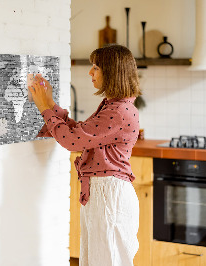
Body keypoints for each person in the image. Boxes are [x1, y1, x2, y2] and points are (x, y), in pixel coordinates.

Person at [29, 44, 141, 266]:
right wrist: (50, 103)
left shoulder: (118, 111)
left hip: (109, 195)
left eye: (96, 67)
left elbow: (72, 141)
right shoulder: (114, 106)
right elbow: (80, 133)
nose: (90, 72)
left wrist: (44, 107)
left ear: (112, 72)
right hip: (104, 193)